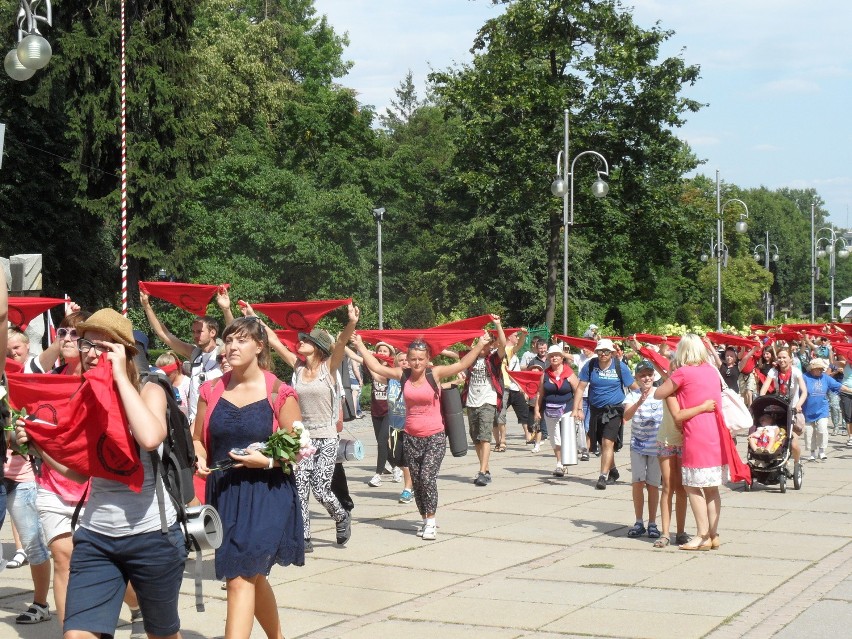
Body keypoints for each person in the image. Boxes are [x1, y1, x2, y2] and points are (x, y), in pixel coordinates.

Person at [16, 308, 188, 638]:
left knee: (162, 634)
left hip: (153, 537)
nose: (92, 353)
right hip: (96, 538)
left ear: (124, 351)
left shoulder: (150, 389)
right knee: (77, 634)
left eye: (103, 347)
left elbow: (150, 438)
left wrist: (121, 377)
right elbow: (80, 473)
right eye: (87, 344)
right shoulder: (87, 396)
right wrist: (39, 447)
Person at [193, 317, 304, 639]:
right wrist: (198, 456)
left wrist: (267, 459)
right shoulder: (210, 389)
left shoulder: (280, 393)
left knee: (240, 579)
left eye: (241, 340)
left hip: (268, 492)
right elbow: (197, 438)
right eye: (229, 340)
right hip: (225, 494)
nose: (232, 346)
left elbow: (297, 449)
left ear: (259, 346)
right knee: (251, 574)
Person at [354, 331, 493, 540]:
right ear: (407, 360)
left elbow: (462, 364)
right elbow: (376, 366)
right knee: (417, 481)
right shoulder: (403, 375)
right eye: (413, 359)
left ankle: (431, 521)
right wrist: (360, 345)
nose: (417, 363)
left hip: (435, 436)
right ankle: (423, 516)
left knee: (427, 477)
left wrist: (480, 344)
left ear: (428, 358)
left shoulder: (434, 373)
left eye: (421, 359)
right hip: (411, 436)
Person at [654, 333, 724, 551]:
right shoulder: (712, 371)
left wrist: (673, 374)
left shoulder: (683, 372)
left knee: (692, 486)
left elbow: (659, 393)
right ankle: (713, 534)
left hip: (696, 432)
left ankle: (701, 535)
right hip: (716, 432)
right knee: (712, 488)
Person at [140, 288, 233, 422]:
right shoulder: (195, 353)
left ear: (212, 333)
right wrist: (147, 306)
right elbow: (164, 335)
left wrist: (226, 309)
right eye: (193, 332)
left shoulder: (225, 353)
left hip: (217, 422)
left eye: (199, 331)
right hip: (193, 423)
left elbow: (234, 332)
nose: (195, 335)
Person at [573, 338, 638, 490]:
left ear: (612, 353)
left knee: (608, 442)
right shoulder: (590, 366)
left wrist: (644, 399)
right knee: (602, 445)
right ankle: (613, 471)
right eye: (600, 351)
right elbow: (581, 388)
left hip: (614, 411)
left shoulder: (619, 367)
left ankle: (602, 476)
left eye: (606, 351)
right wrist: (577, 408)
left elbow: (633, 386)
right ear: (596, 352)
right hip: (596, 410)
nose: (603, 354)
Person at [461, 315, 507, 486]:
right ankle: (485, 469)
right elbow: (450, 353)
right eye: (481, 343)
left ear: (490, 346)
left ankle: (481, 471)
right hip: (471, 402)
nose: (483, 346)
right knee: (476, 439)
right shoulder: (470, 359)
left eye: (487, 343)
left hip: (488, 401)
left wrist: (498, 324)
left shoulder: (493, 358)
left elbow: (503, 344)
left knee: (485, 437)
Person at [622, 360, 662, 540]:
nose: (646, 378)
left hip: (657, 446)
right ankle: (639, 521)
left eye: (649, 375)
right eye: (642, 375)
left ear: (654, 376)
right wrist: (639, 401)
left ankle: (652, 522)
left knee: (653, 485)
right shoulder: (632, 395)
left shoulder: (660, 394)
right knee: (638, 482)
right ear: (637, 378)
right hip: (638, 445)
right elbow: (627, 416)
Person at [533, 343, 579, 477]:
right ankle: (559, 463)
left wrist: (578, 408)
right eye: (551, 356)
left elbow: (578, 391)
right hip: (550, 410)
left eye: (556, 356)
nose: (554, 358)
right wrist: (537, 409)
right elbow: (540, 393)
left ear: (562, 357)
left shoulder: (569, 373)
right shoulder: (545, 374)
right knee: (554, 437)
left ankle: (566, 461)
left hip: (567, 408)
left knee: (566, 436)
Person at [759, 348, 806, 469]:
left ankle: (797, 463)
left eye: (784, 357)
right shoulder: (773, 372)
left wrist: (799, 404)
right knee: (773, 435)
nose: (782, 360)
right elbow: (764, 389)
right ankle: (772, 459)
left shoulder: (796, 372)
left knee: (794, 443)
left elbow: (804, 392)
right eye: (779, 357)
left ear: (790, 358)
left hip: (793, 410)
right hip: (778, 409)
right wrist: (762, 400)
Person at [800, 358, 852, 462]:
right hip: (808, 410)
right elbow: (797, 391)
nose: (820, 371)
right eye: (818, 369)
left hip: (822, 409)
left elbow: (838, 386)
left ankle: (822, 451)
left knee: (822, 430)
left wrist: (850, 390)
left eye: (821, 369)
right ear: (812, 369)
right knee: (809, 432)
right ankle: (812, 453)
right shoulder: (804, 377)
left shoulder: (825, 378)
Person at [387, 351, 414, 503]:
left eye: (406, 360)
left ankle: (407, 489)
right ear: (396, 364)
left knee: (406, 461)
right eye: (401, 360)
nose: (404, 362)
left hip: (410, 427)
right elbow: (373, 368)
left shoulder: (414, 380)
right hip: (394, 427)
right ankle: (414, 484)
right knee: (395, 458)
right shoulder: (390, 380)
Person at [495, 328, 529, 449]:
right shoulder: (493, 351)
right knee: (496, 414)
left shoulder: (509, 351)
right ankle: (498, 441)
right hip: (493, 385)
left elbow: (519, 345)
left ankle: (503, 440)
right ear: (508, 337)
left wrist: (523, 335)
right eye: (516, 335)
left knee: (502, 413)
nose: (517, 337)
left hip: (505, 385)